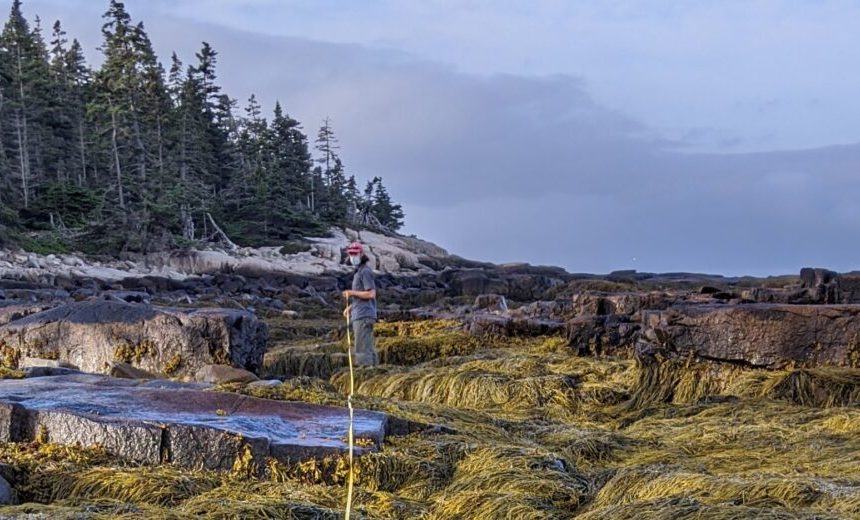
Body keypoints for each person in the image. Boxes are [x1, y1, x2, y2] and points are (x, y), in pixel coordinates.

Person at [342, 241, 379, 365]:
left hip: (364, 315)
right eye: (351, 254)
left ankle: (366, 372)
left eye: (355, 254)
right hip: (360, 312)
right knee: (367, 346)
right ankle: (375, 372)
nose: (353, 257)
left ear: (361, 253)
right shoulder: (359, 271)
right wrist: (351, 307)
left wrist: (351, 293)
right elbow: (362, 294)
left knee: (362, 348)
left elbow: (371, 294)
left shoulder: (365, 271)